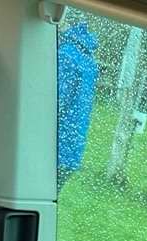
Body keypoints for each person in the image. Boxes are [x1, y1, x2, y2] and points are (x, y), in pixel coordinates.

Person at [57, 20, 99, 193]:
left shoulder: (66, 56)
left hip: (56, 145)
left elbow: (57, 102)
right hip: (73, 149)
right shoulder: (89, 62)